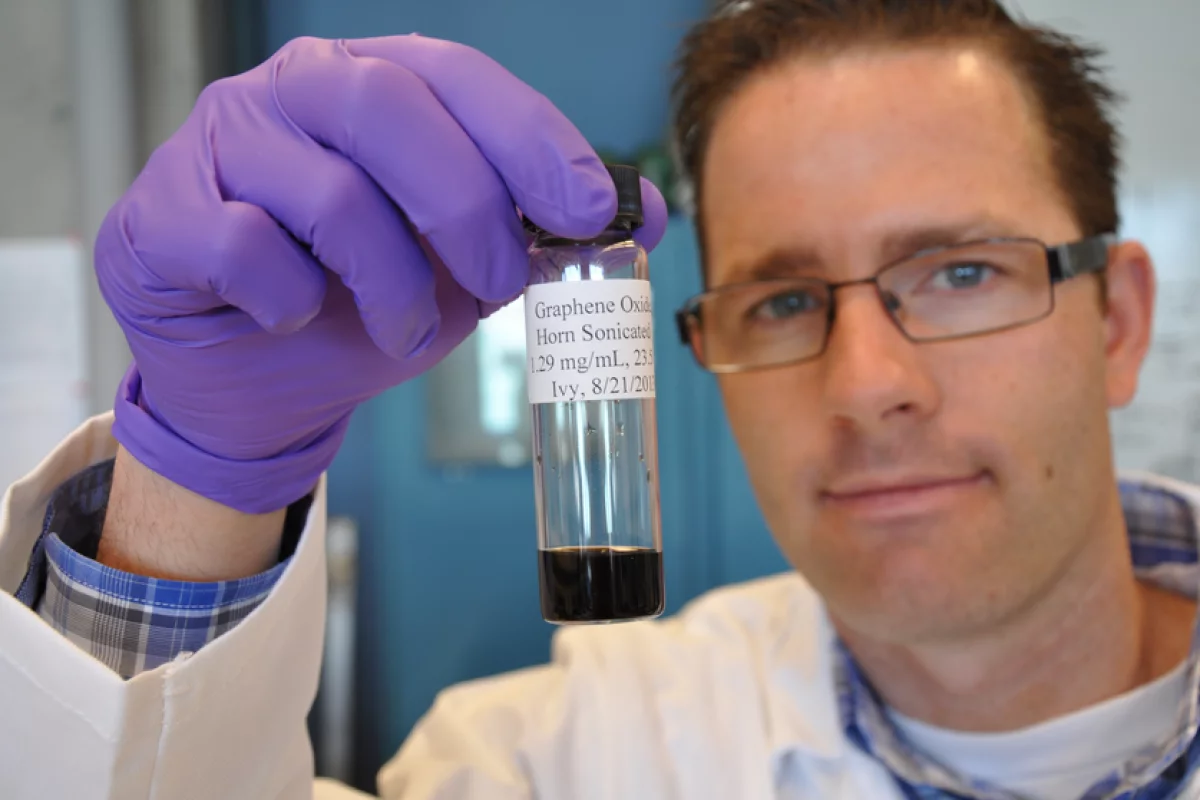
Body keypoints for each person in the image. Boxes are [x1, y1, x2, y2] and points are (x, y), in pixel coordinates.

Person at [0, 0, 1193, 797]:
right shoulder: (563, 755)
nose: (869, 384)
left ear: (1118, 323)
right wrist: (195, 479)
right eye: (782, 300)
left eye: (962, 273)